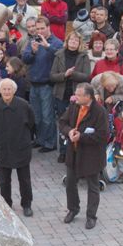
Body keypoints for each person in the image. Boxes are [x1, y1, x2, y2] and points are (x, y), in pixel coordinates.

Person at [59, 82, 108, 230]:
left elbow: (101, 136)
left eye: (79, 95)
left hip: (91, 155)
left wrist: (80, 137)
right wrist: (69, 132)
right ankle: (73, 209)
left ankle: (91, 216)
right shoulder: (74, 106)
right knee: (70, 184)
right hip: (73, 153)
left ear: (88, 96)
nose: (76, 97)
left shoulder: (100, 112)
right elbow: (62, 122)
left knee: (93, 186)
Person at [0, 78, 36, 217]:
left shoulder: (24, 105)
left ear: (14, 90)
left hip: (21, 146)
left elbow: (32, 123)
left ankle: (26, 204)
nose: (7, 91)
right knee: (4, 180)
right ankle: (6, 204)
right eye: (4, 89)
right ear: (0, 91)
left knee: (24, 179)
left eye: (9, 89)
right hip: (4, 147)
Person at [23, 16, 63, 152]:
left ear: (48, 27)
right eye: (37, 28)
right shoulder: (33, 41)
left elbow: (61, 57)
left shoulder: (56, 42)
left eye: (42, 28)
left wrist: (48, 47)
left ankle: (50, 143)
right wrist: (33, 52)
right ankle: (40, 140)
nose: (39, 31)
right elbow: (25, 59)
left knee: (48, 117)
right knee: (37, 116)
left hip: (47, 84)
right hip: (33, 84)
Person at [50, 31, 91, 163]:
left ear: (79, 43)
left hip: (78, 96)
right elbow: (52, 76)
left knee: (77, 124)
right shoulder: (59, 55)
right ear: (67, 41)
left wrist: (73, 74)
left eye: (76, 41)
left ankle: (74, 151)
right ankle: (63, 151)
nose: (73, 43)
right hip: (61, 95)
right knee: (63, 124)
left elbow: (86, 76)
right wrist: (64, 75)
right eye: (71, 40)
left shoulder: (83, 57)